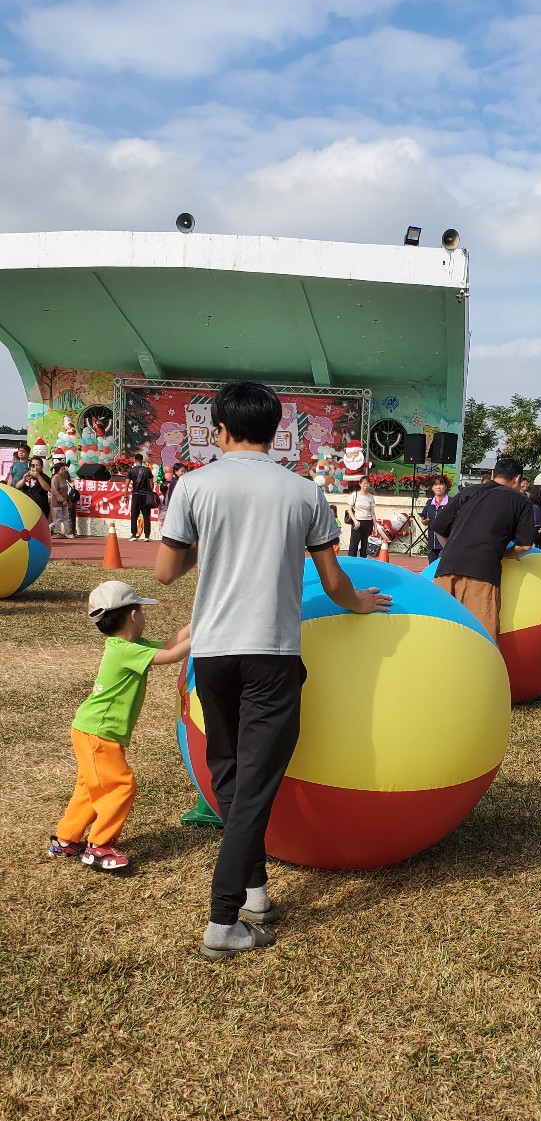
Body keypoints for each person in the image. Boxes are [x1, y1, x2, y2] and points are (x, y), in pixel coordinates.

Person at [156, 380, 392, 962]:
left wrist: (209, 539)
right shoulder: (303, 492)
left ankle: (255, 895)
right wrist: (360, 603)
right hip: (272, 654)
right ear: (276, 431)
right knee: (254, 786)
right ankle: (223, 920)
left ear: (219, 430)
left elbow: (165, 572)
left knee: (232, 776)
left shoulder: (194, 485)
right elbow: (333, 580)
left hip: (213, 653)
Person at [50, 581, 191, 870]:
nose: (144, 616)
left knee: (91, 788)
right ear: (133, 615)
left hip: (92, 730)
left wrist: (199, 622)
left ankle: (66, 840)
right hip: (99, 733)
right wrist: (208, 633)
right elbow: (173, 655)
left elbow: (168, 645)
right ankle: (99, 847)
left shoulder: (129, 647)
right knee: (119, 786)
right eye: (142, 611)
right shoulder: (125, 650)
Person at [432, 456, 536, 639]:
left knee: (439, 633)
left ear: (493, 474)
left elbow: (437, 526)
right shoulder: (520, 501)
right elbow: (525, 545)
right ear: (518, 478)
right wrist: (506, 554)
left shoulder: (469, 491)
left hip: (445, 570)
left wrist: (448, 550)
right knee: (481, 638)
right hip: (481, 574)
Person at [422, 474, 451, 565]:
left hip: (446, 543)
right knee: (432, 568)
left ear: (446, 486)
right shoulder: (429, 503)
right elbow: (424, 518)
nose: (438, 487)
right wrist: (424, 521)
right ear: (432, 487)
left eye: (441, 484)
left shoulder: (451, 503)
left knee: (444, 568)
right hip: (432, 543)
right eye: (435, 484)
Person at [124, 453, 153, 541]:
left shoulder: (131, 470)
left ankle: (133, 535)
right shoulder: (147, 470)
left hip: (136, 495)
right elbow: (151, 482)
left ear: (135, 460)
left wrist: (125, 496)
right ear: (142, 460)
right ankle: (147, 536)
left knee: (134, 515)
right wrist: (150, 492)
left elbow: (126, 484)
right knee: (146, 516)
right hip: (145, 495)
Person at [347, 475, 378, 557]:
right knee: (353, 545)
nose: (366, 485)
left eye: (367, 483)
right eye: (364, 483)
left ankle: (363, 560)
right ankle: (352, 561)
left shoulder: (371, 497)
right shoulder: (354, 495)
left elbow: (373, 513)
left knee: (365, 546)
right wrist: (355, 520)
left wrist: (375, 527)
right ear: (360, 484)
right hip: (357, 522)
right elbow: (349, 509)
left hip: (368, 522)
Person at [50, 460, 72, 537]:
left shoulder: (63, 478)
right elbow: (54, 490)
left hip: (65, 500)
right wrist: (61, 500)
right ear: (58, 470)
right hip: (57, 502)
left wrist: (66, 500)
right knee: (58, 518)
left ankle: (67, 532)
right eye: (62, 469)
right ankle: (59, 532)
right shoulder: (55, 478)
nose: (63, 471)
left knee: (66, 517)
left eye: (64, 469)